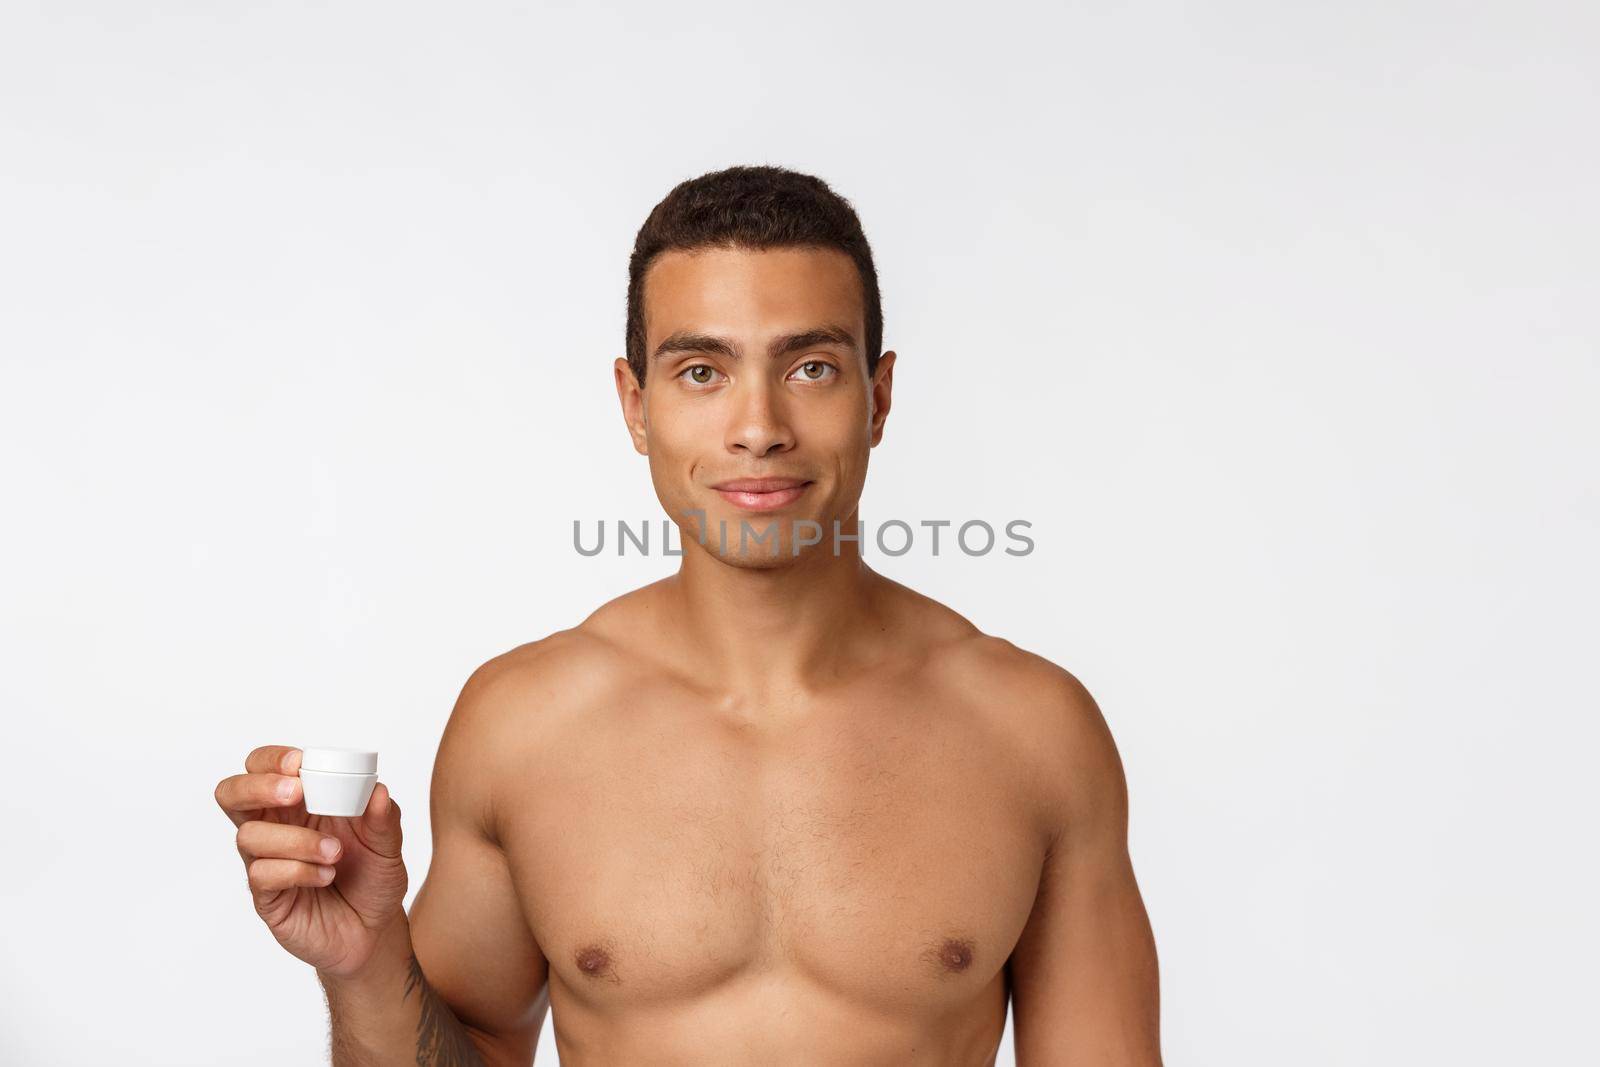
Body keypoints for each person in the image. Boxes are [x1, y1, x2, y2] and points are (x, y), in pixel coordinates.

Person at [214, 164, 1163, 1065]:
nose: (758, 426)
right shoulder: (524, 725)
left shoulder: (1030, 730)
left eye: (812, 368)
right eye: (702, 371)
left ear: (878, 396)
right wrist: (367, 963)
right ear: (636, 405)